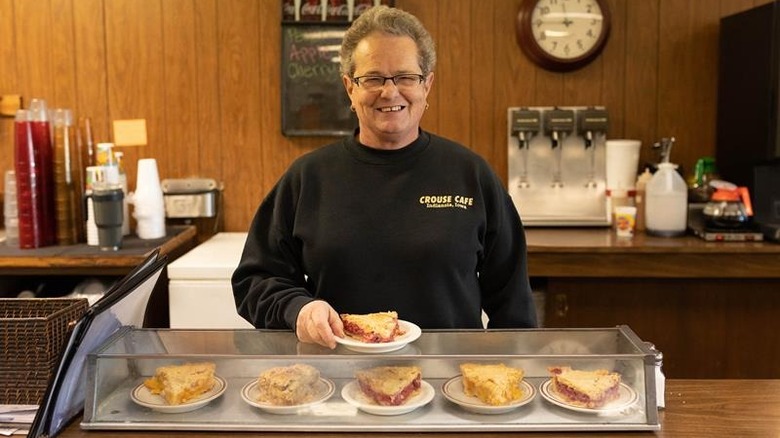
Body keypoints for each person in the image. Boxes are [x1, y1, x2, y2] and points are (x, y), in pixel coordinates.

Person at [232, 5, 537, 349]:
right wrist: (298, 309)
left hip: (446, 381)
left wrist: (507, 374)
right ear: (350, 88)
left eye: (405, 77)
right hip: (339, 380)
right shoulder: (309, 178)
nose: (390, 92)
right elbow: (255, 280)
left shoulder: (471, 175)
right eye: (373, 78)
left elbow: (513, 303)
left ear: (427, 84)